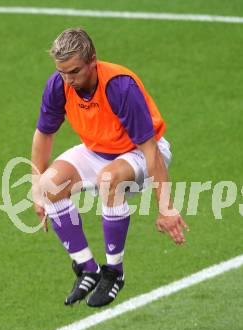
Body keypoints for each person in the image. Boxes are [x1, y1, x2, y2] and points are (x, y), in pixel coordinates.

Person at [32, 28, 188, 308]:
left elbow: (150, 149)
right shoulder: (59, 84)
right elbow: (43, 135)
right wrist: (36, 190)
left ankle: (114, 272)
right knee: (48, 185)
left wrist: (165, 207)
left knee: (109, 179)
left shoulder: (119, 86)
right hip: (98, 149)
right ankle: (87, 269)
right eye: (63, 72)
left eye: (75, 72)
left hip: (139, 151)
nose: (69, 80)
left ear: (93, 60)